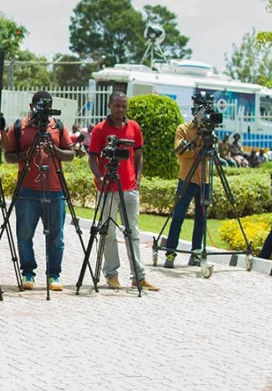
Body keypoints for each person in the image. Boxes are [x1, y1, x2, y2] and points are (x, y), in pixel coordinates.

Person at [88, 92, 159, 292]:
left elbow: (138, 155)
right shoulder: (100, 130)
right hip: (108, 188)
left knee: (133, 233)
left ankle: (138, 276)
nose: (121, 110)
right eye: (117, 106)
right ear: (109, 106)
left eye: (124, 106)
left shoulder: (134, 127)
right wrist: (99, 177)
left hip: (129, 189)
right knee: (109, 232)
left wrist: (137, 179)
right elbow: (92, 157)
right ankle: (111, 274)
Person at [4, 91, 75, 291]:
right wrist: (26, 154)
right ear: (31, 104)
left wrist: (55, 151)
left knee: (56, 236)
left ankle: (54, 275)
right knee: (25, 233)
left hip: (55, 189)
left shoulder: (57, 126)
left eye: (48, 105)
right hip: (27, 189)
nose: (44, 109)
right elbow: (8, 156)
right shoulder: (19, 127)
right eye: (40, 105)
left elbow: (71, 154)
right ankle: (28, 273)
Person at [163, 110, 211, 269]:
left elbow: (211, 153)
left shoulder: (209, 131)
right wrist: (196, 151)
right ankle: (170, 253)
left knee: (201, 219)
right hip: (186, 178)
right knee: (178, 216)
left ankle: (196, 253)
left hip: (204, 180)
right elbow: (179, 152)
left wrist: (200, 150)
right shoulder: (183, 129)